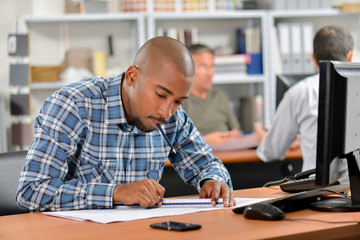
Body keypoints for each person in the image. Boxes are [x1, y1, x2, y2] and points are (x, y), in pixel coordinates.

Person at [16, 36, 235, 212]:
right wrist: (115, 193)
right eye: (160, 95)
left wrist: (212, 180)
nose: (166, 112)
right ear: (132, 76)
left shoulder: (172, 117)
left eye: (178, 101)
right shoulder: (72, 106)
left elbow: (208, 164)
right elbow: (31, 191)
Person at [255, 25, 354, 173]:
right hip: (353, 186)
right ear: (351, 56)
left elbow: (271, 152)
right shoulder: (355, 86)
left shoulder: (300, 92)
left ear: (313, 59)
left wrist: (263, 138)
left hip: (316, 188)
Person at [182, 43, 242, 145]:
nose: (210, 73)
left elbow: (238, 132)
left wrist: (235, 136)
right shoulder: (179, 101)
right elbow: (173, 144)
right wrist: (205, 141)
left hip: (230, 154)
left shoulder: (219, 96)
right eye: (203, 66)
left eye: (212, 66)